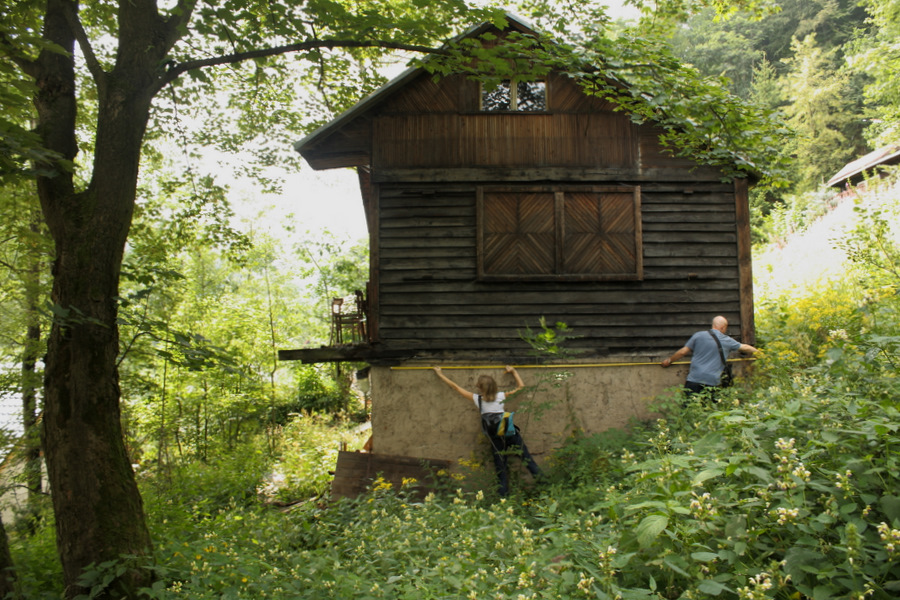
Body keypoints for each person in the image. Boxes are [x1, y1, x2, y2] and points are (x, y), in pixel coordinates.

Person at [433, 365, 542, 497]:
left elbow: (455, 387)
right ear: (495, 386)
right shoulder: (502, 396)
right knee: (527, 460)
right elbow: (521, 388)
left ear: (479, 387)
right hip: (509, 432)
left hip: (495, 436)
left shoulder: (477, 399)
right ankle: (546, 488)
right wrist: (513, 371)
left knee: (500, 469)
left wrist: (440, 374)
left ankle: (503, 500)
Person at [660, 315, 758, 398]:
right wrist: (760, 353)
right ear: (723, 327)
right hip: (712, 382)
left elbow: (682, 352)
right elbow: (744, 347)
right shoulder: (726, 340)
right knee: (709, 410)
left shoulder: (698, 336)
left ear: (713, 325)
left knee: (689, 408)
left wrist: (669, 361)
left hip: (694, 379)